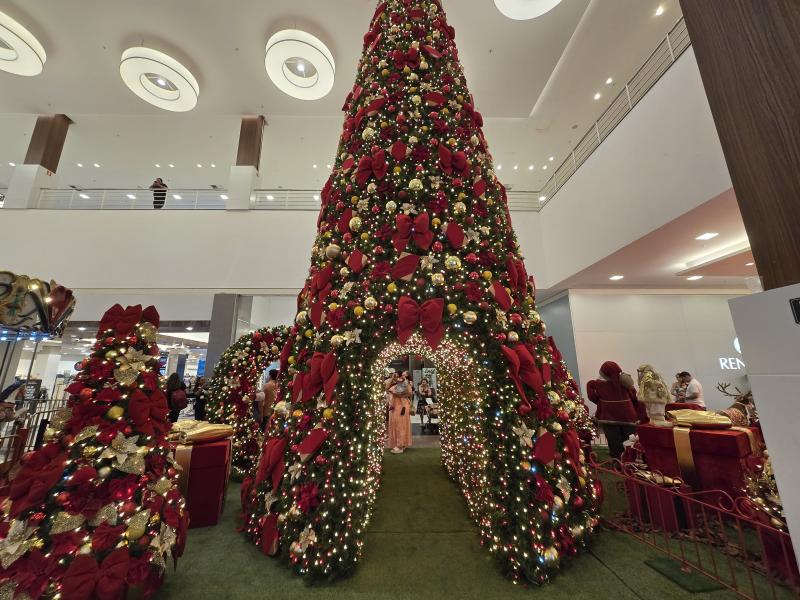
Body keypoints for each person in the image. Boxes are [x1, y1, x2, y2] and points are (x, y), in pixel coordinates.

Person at [587, 361, 642, 461]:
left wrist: (601, 403)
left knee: (614, 442)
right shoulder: (625, 383)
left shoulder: (598, 384)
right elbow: (634, 397)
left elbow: (592, 396)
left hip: (609, 417)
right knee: (630, 441)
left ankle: (618, 462)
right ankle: (631, 462)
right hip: (628, 417)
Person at [386, 370, 412, 454]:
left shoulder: (405, 383)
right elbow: (386, 388)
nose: (396, 377)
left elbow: (410, 393)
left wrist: (400, 395)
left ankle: (401, 445)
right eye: (394, 375)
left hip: (403, 405)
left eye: (397, 376)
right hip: (394, 405)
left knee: (401, 424)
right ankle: (398, 444)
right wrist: (392, 379)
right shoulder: (392, 383)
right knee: (394, 424)